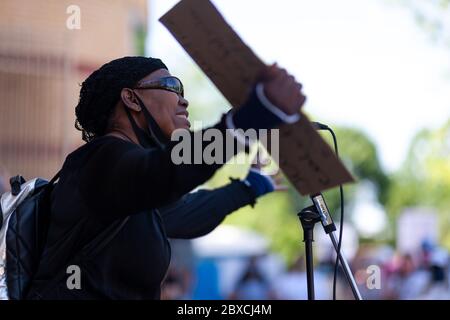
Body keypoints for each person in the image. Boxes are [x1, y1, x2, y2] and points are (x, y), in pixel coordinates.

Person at [27, 56, 306, 299]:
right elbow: (163, 171)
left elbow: (185, 214)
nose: (184, 100)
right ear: (131, 98)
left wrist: (249, 187)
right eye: (172, 86)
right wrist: (249, 120)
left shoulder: (131, 192)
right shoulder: (98, 160)